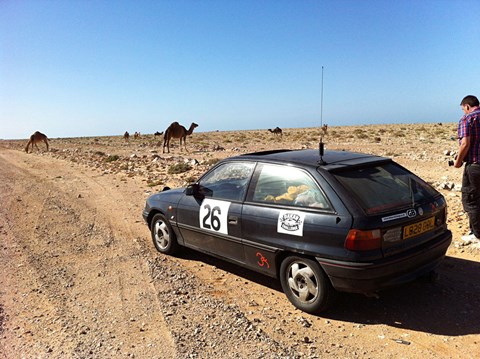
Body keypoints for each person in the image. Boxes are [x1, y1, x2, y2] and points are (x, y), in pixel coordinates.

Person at [454, 95, 480, 242]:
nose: (464, 112)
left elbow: (465, 144)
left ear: (467, 106)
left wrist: (458, 162)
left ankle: (477, 235)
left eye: (463, 109)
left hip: (475, 165)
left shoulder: (467, 119)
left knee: (470, 200)